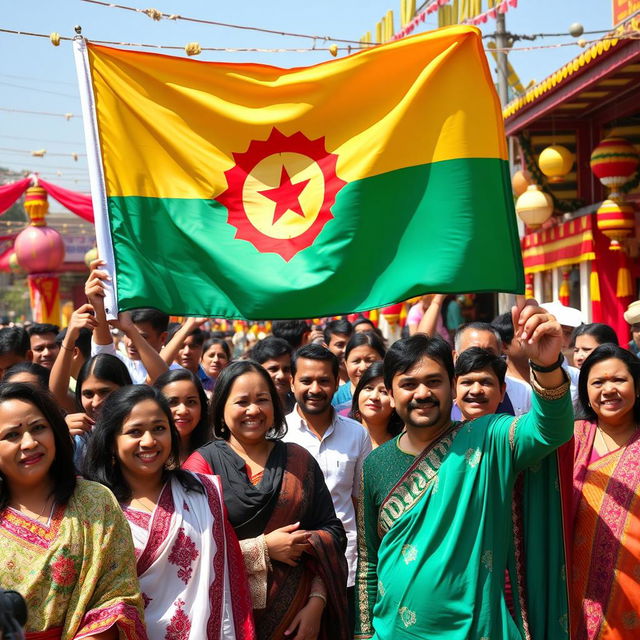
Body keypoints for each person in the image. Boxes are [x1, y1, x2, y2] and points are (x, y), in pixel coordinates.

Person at [355, 299, 573, 639]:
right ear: (390, 391)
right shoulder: (375, 463)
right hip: (393, 631)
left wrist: (546, 366)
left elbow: (552, 430)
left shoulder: (488, 438)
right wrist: (365, 633)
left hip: (479, 629)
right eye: (408, 384)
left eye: (434, 381)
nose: (422, 393)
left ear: (451, 386)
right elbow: (369, 561)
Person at [184, 360, 349, 640]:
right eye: (242, 402)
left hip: (300, 620)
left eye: (262, 400)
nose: (253, 410)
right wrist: (262, 549)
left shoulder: (299, 460)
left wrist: (316, 603)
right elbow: (189, 550)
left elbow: (332, 532)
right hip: (227, 619)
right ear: (221, 410)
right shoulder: (201, 467)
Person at [84, 385, 255, 640]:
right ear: (111, 442)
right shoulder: (96, 509)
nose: (149, 441)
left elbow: (230, 578)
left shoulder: (202, 492)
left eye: (159, 429)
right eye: (135, 432)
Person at [0, 382, 146, 638]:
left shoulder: (95, 502)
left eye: (38, 428)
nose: (29, 443)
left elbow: (116, 600)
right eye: (12, 435)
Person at [284, 344, 370, 629]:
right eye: (306, 380)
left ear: (336, 383)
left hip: (345, 566)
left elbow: (360, 503)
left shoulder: (357, 434)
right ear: (292, 382)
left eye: (323, 381)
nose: (315, 388)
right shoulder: (277, 435)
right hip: (291, 566)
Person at [572, 344, 640, 639]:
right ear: (585, 391)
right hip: (575, 594)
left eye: (619, 380)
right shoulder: (571, 439)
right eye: (598, 382)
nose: (608, 390)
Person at [85, 259, 170, 384]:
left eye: (141, 337)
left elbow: (162, 381)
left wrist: (130, 329)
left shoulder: (177, 372)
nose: (130, 343)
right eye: (126, 334)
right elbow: (102, 349)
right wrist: (98, 307)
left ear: (162, 338)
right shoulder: (119, 365)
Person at [65, 354, 133, 467]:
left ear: (125, 389)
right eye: (88, 394)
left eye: (104, 392)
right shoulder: (78, 436)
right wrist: (61, 437)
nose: (95, 403)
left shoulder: (143, 430)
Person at [454, 321, 531, 416]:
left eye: (488, 353)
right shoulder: (443, 394)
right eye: (473, 351)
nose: (476, 390)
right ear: (456, 357)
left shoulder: (523, 392)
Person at [154, 368, 211, 463]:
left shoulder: (216, 455)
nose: (183, 411)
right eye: (172, 402)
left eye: (191, 402)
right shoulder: (149, 454)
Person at [349, 361, 402, 448]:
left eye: (384, 392)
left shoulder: (402, 445)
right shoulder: (341, 437)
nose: (374, 397)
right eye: (369, 388)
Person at [332, 331, 386, 412]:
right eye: (356, 361)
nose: (362, 368)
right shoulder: (335, 399)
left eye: (369, 360)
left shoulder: (391, 395)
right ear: (346, 364)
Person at [453, 347, 506, 420]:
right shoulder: (441, 431)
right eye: (467, 382)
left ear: (502, 391)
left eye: (486, 383)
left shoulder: (513, 429)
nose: (476, 391)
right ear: (454, 387)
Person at [250, 336, 295, 413]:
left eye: (286, 369)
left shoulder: (298, 405)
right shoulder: (251, 409)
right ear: (256, 370)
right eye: (273, 369)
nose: (281, 376)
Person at [160, 318, 210, 387]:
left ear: (201, 348)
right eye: (181, 347)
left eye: (193, 346)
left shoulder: (212, 383)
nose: (187, 352)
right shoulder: (161, 377)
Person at [323, 319, 353, 384]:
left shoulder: (363, 377)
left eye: (350, 344)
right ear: (326, 347)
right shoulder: (322, 378)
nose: (346, 350)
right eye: (340, 345)